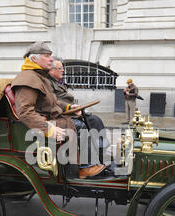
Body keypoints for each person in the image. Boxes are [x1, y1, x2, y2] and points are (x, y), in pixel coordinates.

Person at [11, 42, 105, 179]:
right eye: (46, 56)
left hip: (52, 118)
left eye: (50, 55)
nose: (51, 59)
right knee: (80, 126)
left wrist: (68, 107)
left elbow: (52, 101)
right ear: (34, 59)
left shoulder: (38, 76)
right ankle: (85, 168)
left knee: (89, 120)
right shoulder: (28, 78)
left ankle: (95, 160)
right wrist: (48, 128)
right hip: (44, 123)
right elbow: (25, 111)